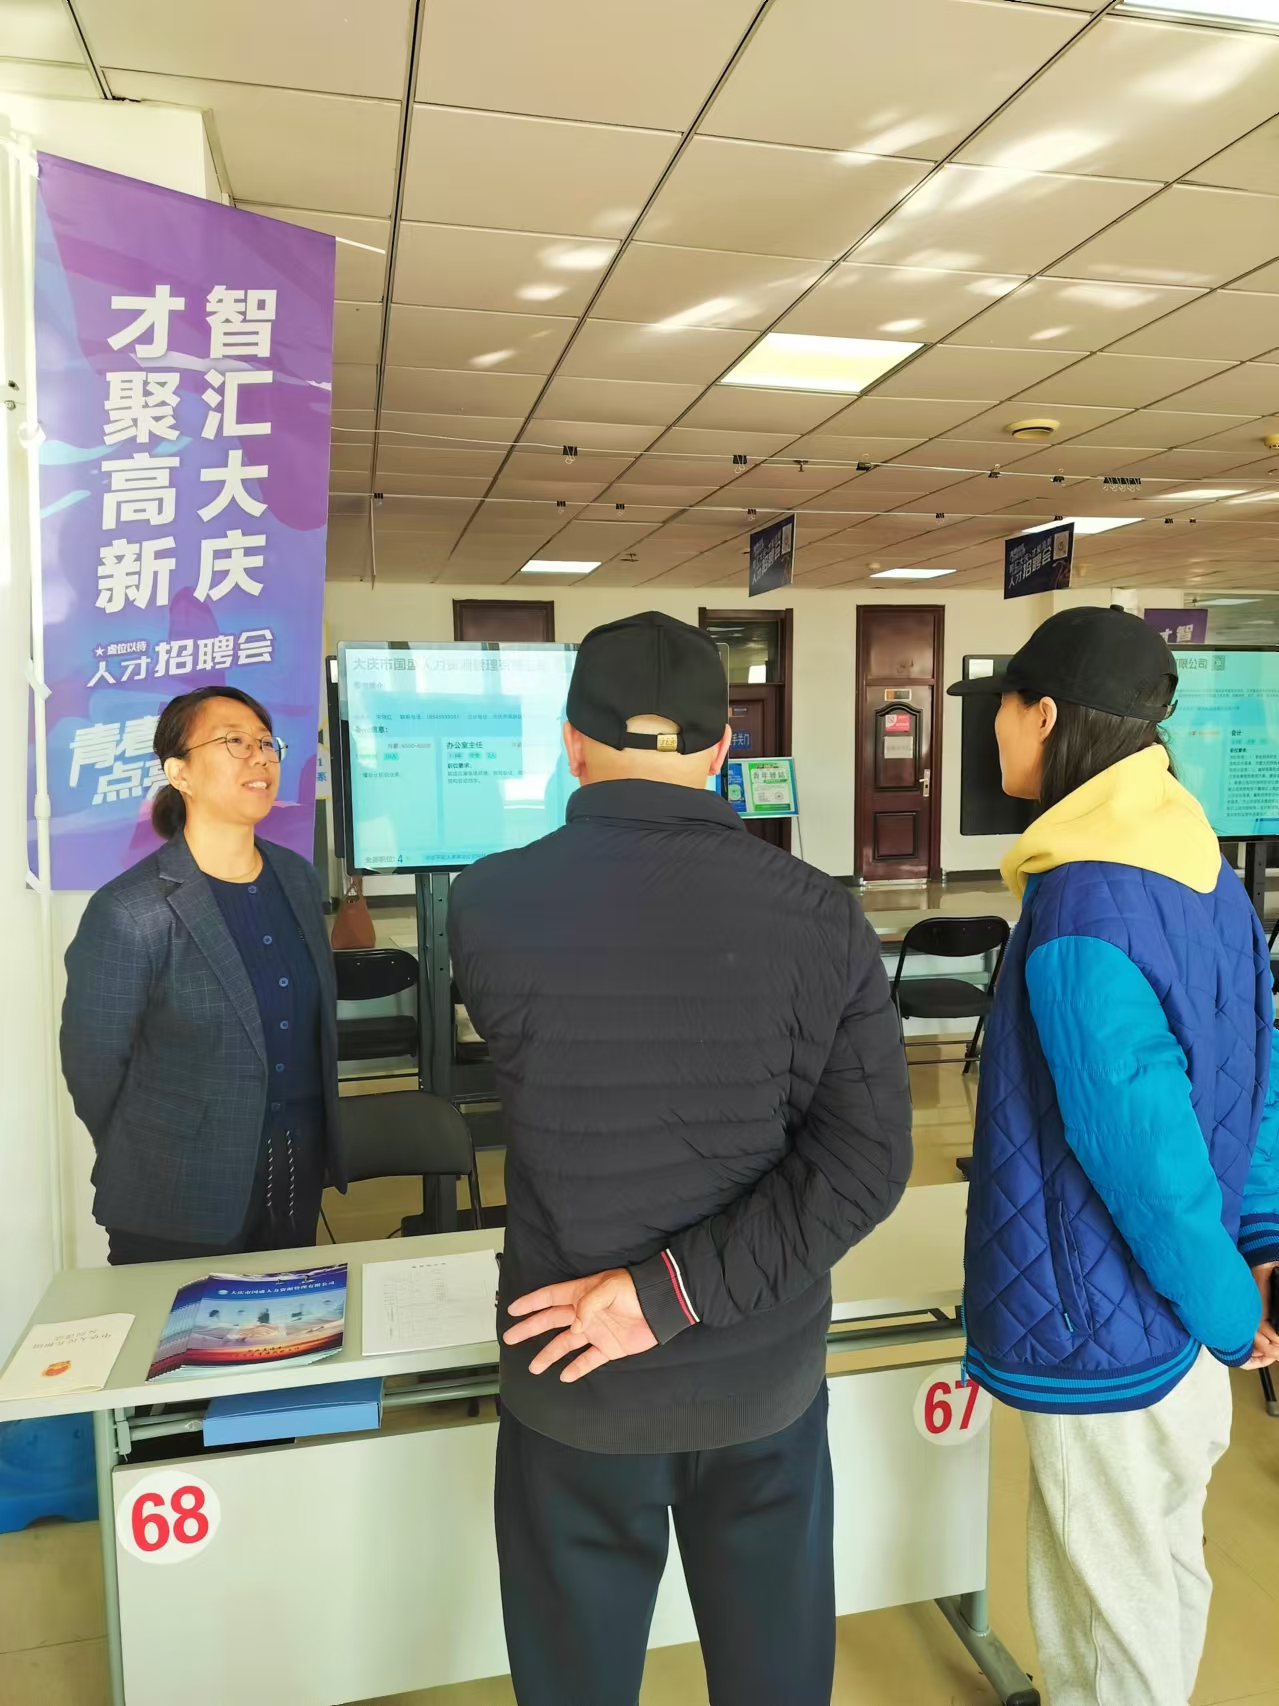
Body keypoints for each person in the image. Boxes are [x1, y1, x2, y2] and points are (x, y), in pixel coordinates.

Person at [448, 610, 912, 1706]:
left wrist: (638, 1302)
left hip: (571, 1373)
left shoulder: (486, 901)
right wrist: (670, 1295)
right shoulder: (821, 916)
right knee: (772, 1680)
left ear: (571, 741)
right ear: (720, 751)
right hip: (758, 1376)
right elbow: (866, 1161)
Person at [950, 607, 1279, 1706]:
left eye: (999, 708)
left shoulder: (1082, 902)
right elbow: (1256, 1069)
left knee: (1105, 1625)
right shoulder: (1203, 871)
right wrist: (1254, 1247)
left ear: (1044, 716)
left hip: (1107, 1333)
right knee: (1162, 1574)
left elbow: (1143, 1154)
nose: (993, 730)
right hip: (1177, 1323)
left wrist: (1227, 1308)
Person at [61, 686, 345, 1265]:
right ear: (180, 773)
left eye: (266, 742)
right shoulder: (131, 908)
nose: (259, 757)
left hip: (294, 1173)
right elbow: (93, 1067)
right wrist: (161, 1143)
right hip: (175, 1192)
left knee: (286, 1318)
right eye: (234, 742)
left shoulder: (296, 878)